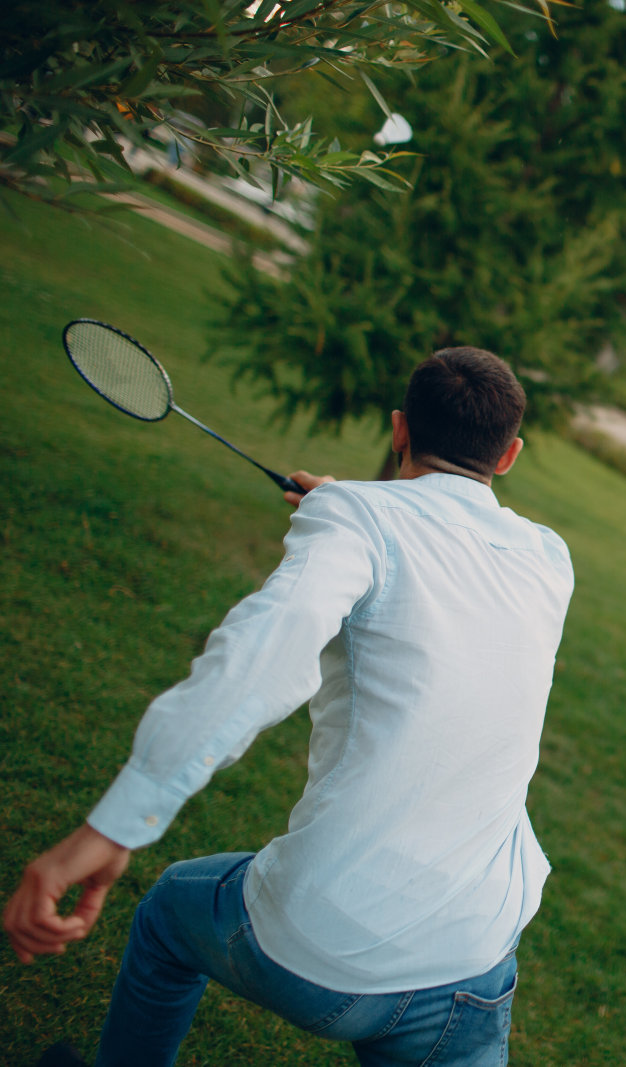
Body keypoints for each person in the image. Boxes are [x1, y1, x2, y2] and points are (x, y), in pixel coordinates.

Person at [3, 347, 575, 1067]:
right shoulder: (549, 558)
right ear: (509, 455)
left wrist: (116, 824)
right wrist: (352, 506)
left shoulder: (359, 517)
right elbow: (439, 555)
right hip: (475, 956)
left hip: (325, 944)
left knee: (170, 913)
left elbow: (260, 658)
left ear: (399, 429)